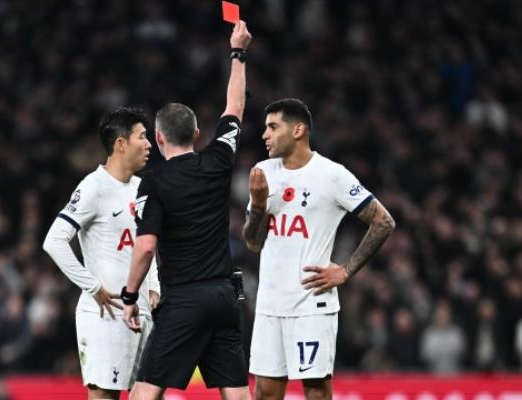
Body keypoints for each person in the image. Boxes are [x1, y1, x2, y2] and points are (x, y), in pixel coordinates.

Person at [121, 21, 252, 400]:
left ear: (158, 137)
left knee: (146, 389)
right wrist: (238, 53)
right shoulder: (218, 160)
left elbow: (145, 247)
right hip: (224, 297)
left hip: (184, 299)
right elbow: (236, 107)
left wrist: (130, 298)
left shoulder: (154, 183)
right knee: (237, 391)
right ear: (196, 134)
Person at [243, 98, 395, 400]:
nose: (265, 135)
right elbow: (252, 242)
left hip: (311, 304)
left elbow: (383, 221)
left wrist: (346, 271)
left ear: (298, 129)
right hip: (270, 302)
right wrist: (258, 206)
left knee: (315, 392)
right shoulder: (263, 171)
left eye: (273, 127)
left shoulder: (332, 175)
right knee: (264, 394)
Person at [43, 107, 160, 400]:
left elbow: (146, 243)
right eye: (142, 137)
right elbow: (54, 240)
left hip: (142, 312)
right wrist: (93, 287)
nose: (149, 144)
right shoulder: (93, 187)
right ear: (120, 144)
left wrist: (154, 284)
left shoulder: (143, 188)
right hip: (105, 316)